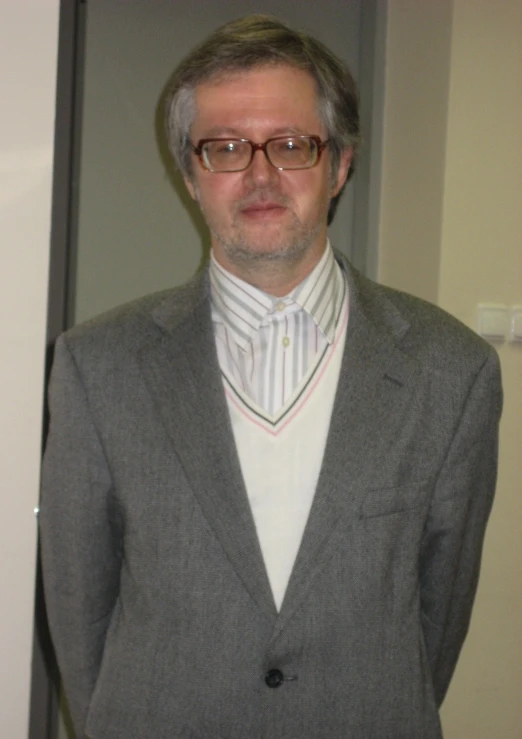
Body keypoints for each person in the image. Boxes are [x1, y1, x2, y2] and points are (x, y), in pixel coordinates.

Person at [39, 15, 502, 739]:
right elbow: (78, 609)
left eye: (289, 145)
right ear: (191, 176)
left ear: (340, 163)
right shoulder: (97, 367)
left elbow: (436, 620)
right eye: (224, 147)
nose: (258, 174)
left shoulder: (453, 370)